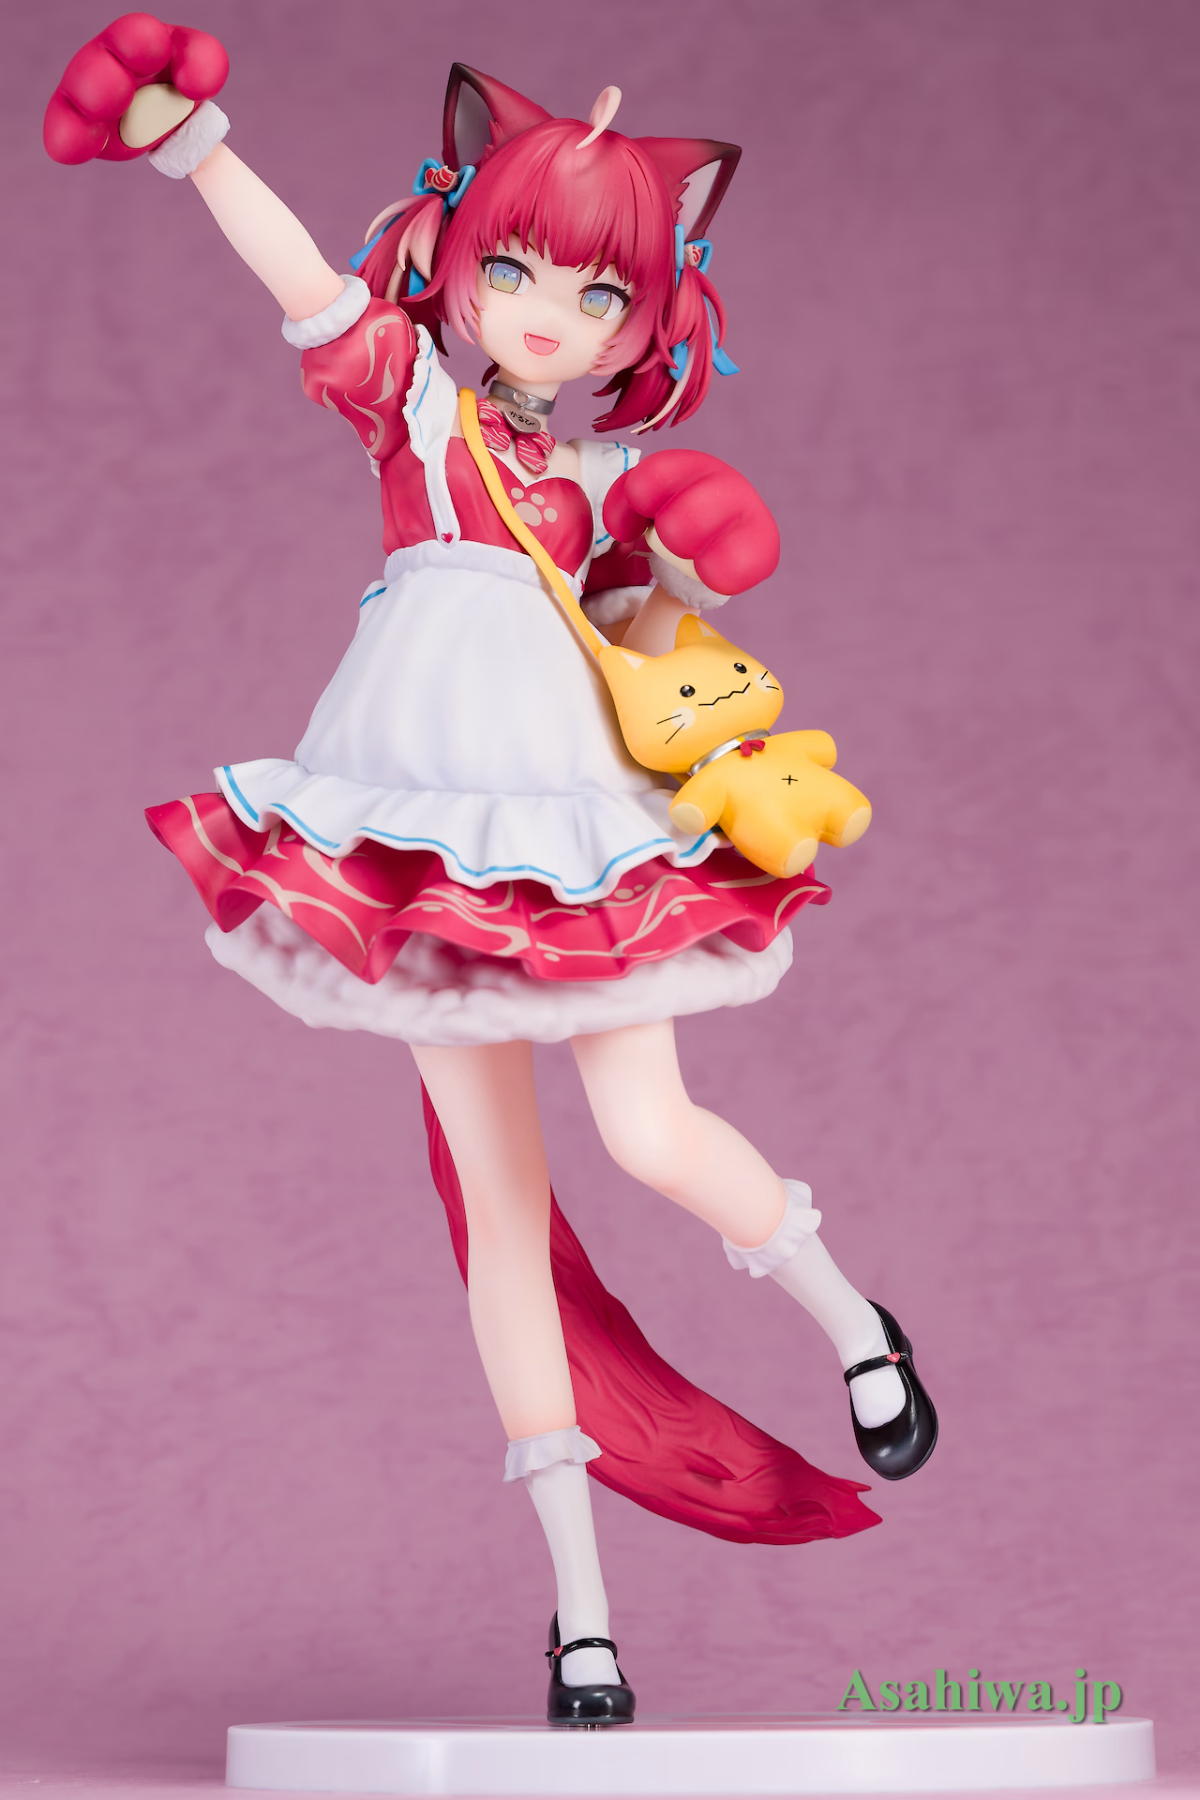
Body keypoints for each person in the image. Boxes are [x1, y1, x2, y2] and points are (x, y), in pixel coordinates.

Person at [45, 19, 937, 1727]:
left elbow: (666, 615)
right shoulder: (414, 405)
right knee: (501, 1224)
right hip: (414, 827)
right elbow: (304, 282)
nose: (546, 315)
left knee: (649, 1131)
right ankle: (582, 1619)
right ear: (457, 248)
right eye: (516, 268)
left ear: (643, 319)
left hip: (571, 828)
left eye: (597, 294)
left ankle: (856, 1326)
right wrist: (194, 146)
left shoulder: (602, 480)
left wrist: (698, 554)